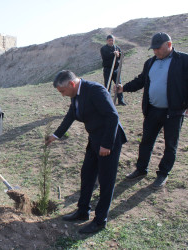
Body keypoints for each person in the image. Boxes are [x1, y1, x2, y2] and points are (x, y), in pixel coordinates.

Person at [45, 70, 127, 234]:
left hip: (108, 141)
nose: (62, 95)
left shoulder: (95, 90)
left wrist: (106, 144)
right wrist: (56, 135)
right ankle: (83, 211)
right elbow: (71, 115)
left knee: (105, 181)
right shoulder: (75, 94)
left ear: (71, 84)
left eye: (62, 91)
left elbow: (112, 116)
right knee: (87, 174)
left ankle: (100, 221)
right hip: (94, 139)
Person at [117, 32, 188, 188]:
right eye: (153, 49)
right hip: (153, 110)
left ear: (169, 45)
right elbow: (141, 80)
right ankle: (141, 169)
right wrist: (124, 88)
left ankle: (163, 174)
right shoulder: (150, 62)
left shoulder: (183, 60)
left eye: (158, 48)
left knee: (170, 145)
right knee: (146, 142)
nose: (155, 51)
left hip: (174, 112)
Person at [100, 35, 126, 106]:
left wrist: (119, 54)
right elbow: (105, 56)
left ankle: (121, 101)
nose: (111, 42)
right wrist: (113, 54)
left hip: (116, 69)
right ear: (107, 41)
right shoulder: (103, 48)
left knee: (118, 84)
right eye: (109, 40)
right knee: (108, 85)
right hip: (108, 69)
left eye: (112, 40)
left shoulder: (117, 48)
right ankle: (108, 101)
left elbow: (121, 56)